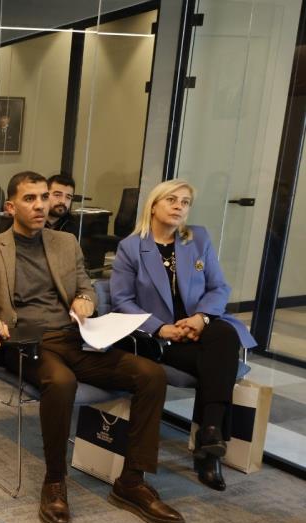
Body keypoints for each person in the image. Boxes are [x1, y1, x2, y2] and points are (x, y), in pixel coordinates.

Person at [0, 171, 182, 523]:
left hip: (74, 338)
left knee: (151, 375)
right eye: (30, 199)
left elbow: (85, 288)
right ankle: (55, 481)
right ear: (11, 207)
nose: (40, 205)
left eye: (44, 197)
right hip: (25, 343)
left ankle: (131, 482)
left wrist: (86, 301)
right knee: (61, 382)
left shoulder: (66, 243)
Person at [110, 179, 256, 491]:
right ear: (153, 206)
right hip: (161, 337)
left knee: (224, 334)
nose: (179, 207)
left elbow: (219, 287)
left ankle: (210, 431)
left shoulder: (197, 239)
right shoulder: (131, 248)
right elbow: (122, 300)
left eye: (185, 202)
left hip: (201, 328)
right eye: (172, 200)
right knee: (218, 364)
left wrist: (201, 318)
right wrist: (160, 327)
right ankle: (209, 447)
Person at [46, 174, 80, 238]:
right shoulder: (33, 221)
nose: (63, 201)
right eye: (57, 195)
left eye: (68, 197)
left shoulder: (73, 225)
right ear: (45, 195)